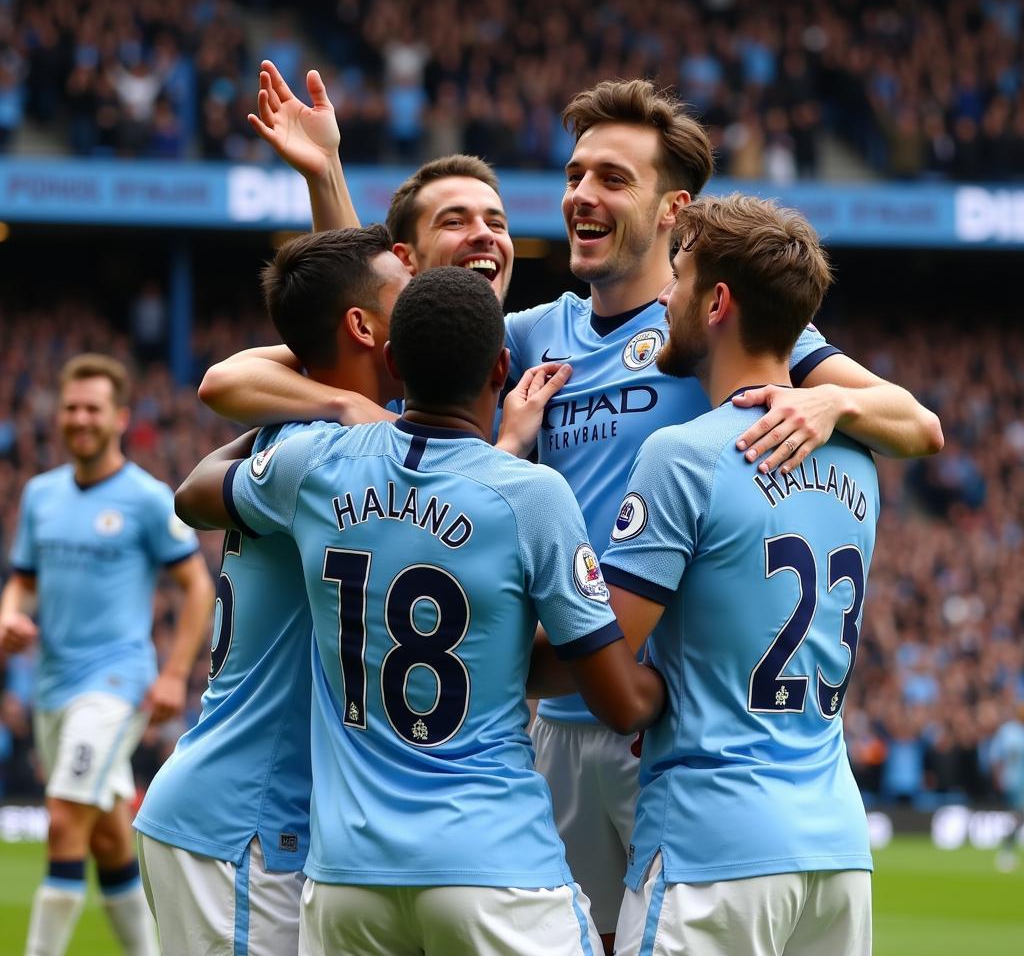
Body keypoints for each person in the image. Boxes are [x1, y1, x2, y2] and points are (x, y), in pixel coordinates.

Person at [207, 64, 943, 949]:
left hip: (661, 724)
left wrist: (837, 401)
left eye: (611, 179)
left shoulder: (703, 332)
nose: (580, 195)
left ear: (674, 214)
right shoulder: (527, 336)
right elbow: (345, 340)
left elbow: (920, 423)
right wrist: (327, 181)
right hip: (549, 729)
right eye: (573, 175)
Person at [172, 266, 665, 955]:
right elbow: (619, 701)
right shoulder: (532, 496)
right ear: (501, 367)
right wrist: (674, 681)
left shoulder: (315, 464)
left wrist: (328, 409)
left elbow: (193, 493)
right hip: (495, 870)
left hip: (346, 882)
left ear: (395, 363)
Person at [600, 194, 878, 955]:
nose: (663, 293)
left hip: (711, 846)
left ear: (717, 302)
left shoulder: (683, 454)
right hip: (836, 851)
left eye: (679, 275)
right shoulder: (862, 460)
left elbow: (604, 654)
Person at [133, 227, 412, 954]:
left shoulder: (292, 433)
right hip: (244, 822)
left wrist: (339, 389)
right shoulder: (332, 452)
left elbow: (221, 407)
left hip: (243, 812)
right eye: (405, 298)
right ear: (362, 326)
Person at [0, 353, 215, 956]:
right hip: (52, 687)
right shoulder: (41, 496)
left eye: (92, 408)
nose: (80, 418)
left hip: (116, 684)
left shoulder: (147, 499)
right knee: (108, 839)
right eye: (70, 407)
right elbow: (22, 579)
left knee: (65, 819)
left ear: (120, 417)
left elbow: (198, 585)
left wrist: (175, 674)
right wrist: (8, 614)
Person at [990, 700, 1024, 872]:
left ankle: (1007, 849)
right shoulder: (1008, 731)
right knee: (1018, 815)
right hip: (1014, 782)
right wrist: (998, 778)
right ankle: (1007, 850)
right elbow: (996, 756)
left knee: (1019, 816)